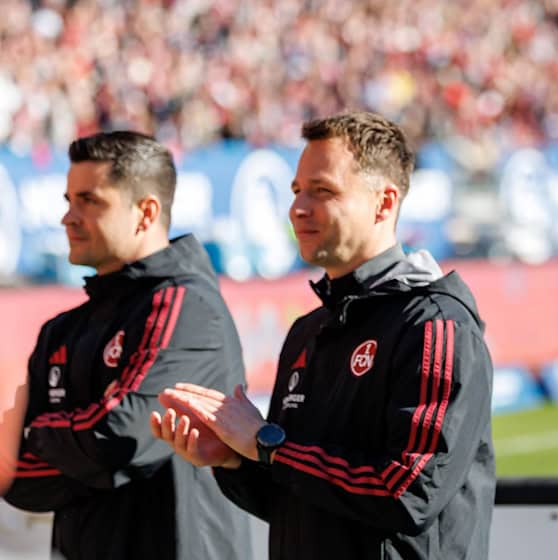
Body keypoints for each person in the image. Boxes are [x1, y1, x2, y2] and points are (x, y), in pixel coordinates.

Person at [151, 111, 496, 559]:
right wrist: (233, 460)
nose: (297, 207)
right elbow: (295, 499)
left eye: (323, 191)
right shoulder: (308, 331)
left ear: (384, 203)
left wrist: (267, 444)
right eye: (297, 191)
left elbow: (408, 493)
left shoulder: (435, 325)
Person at [2, 131, 251, 559]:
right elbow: (22, 479)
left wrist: (44, 434)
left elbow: (118, 435)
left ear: (146, 212)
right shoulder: (62, 331)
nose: (68, 217)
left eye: (89, 201)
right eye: (68, 200)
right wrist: (80, 451)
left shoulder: (184, 304)